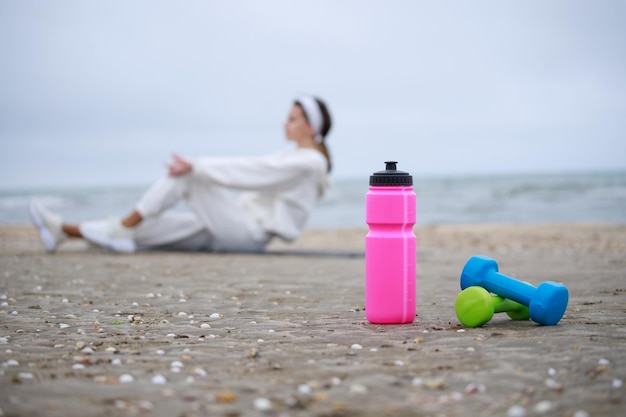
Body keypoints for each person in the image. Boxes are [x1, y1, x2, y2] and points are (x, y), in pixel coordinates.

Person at [29, 96, 332, 253]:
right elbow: (256, 169)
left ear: (311, 127)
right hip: (231, 226)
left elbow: (251, 171)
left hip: (248, 234)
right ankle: (64, 231)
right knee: (152, 228)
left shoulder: (310, 163)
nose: (285, 123)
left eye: (292, 119)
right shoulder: (294, 157)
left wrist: (197, 165)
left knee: (189, 177)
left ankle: (123, 225)